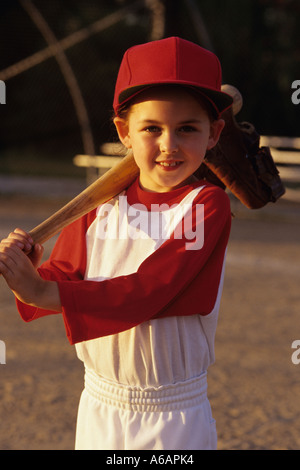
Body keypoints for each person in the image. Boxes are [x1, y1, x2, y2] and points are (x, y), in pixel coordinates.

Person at [0, 37, 233, 450]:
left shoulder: (205, 205)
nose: (169, 145)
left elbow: (149, 290)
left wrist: (40, 289)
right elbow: (64, 279)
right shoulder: (100, 202)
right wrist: (30, 274)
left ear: (214, 134)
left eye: (187, 129)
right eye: (152, 129)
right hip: (99, 406)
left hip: (172, 414)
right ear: (124, 131)